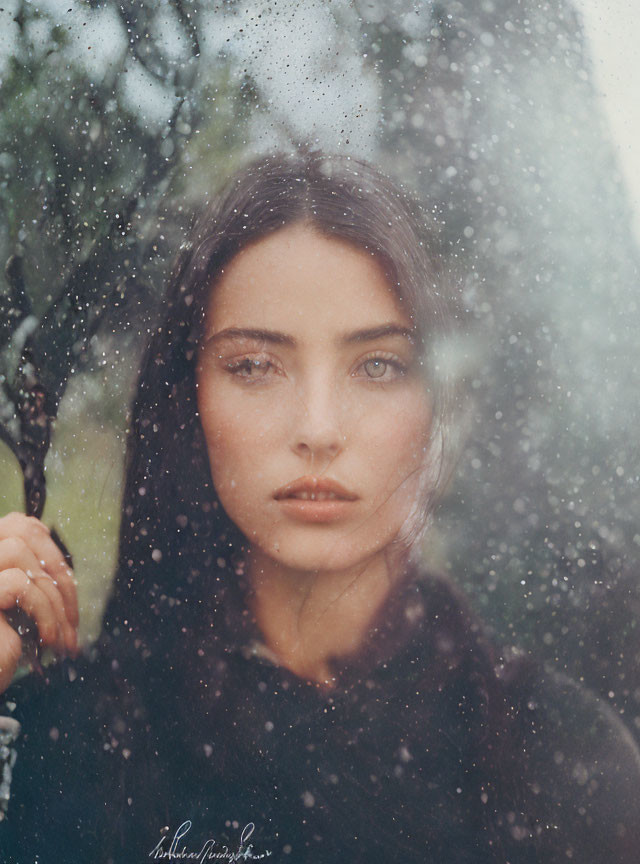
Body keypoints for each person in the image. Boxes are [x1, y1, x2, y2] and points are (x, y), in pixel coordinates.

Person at [0, 150, 639, 864]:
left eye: (377, 366)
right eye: (254, 365)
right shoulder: (69, 744)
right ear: (190, 398)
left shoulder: (559, 759)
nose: (317, 429)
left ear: (436, 408)